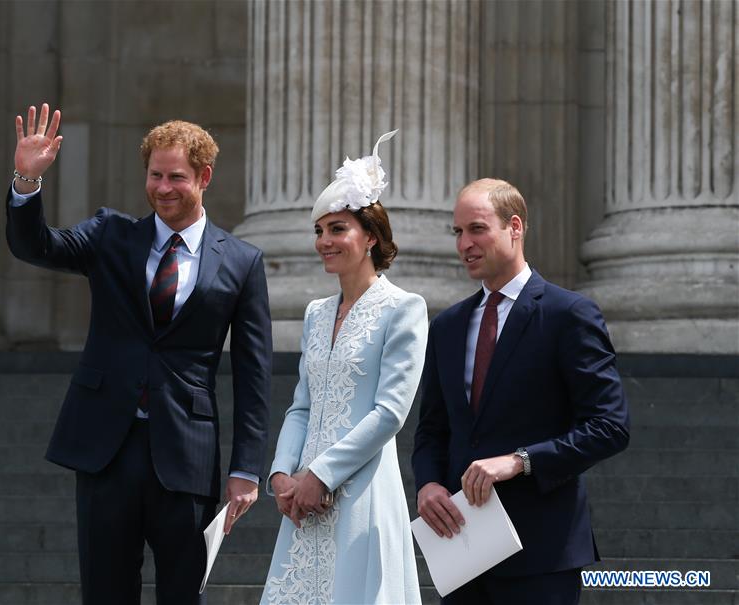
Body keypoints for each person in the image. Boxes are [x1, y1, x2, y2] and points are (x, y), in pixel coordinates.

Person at [5, 103, 272, 604]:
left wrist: (246, 469)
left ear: (204, 177)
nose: (163, 188)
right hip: (106, 447)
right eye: (155, 176)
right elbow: (36, 246)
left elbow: (254, 375)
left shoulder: (241, 261)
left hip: (186, 454)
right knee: (105, 593)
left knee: (180, 595)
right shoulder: (111, 234)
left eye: (176, 177)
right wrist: (26, 181)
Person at [412, 178, 630, 604]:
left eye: (477, 229)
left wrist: (520, 461)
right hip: (462, 550)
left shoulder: (569, 314)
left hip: (542, 552)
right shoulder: (446, 327)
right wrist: (427, 485)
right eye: (458, 233)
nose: (464, 245)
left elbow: (610, 425)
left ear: (515, 227)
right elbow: (431, 430)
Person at [261, 131, 426, 604]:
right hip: (303, 502)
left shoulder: (404, 307)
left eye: (337, 229)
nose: (323, 241)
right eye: (319, 230)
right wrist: (281, 475)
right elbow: (301, 406)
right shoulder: (315, 312)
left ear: (371, 236)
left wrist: (321, 475)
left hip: (363, 495)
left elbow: (391, 413)